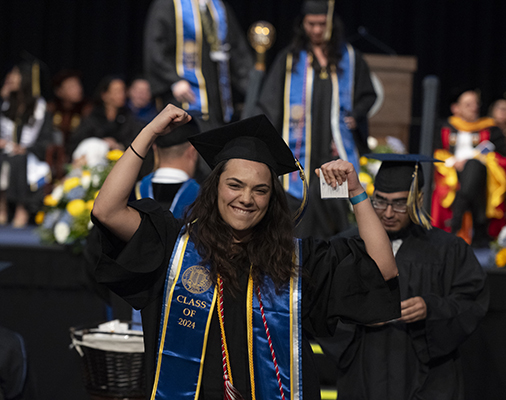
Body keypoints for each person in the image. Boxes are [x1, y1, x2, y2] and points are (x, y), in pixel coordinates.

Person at [86, 105, 401, 399]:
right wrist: (149, 132)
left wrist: (357, 193)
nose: (246, 198)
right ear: (215, 187)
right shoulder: (174, 246)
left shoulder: (297, 262)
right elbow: (107, 211)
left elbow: (383, 268)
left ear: (271, 199)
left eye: (260, 190)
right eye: (235, 185)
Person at [318, 153, 489, 400]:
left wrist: (430, 307)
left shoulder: (447, 249)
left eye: (399, 204)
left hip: (428, 376)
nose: (388, 213)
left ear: (418, 199)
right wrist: (355, 313)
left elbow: (472, 301)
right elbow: (321, 304)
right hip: (364, 369)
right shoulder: (345, 245)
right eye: (380, 201)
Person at [257, 0, 377, 240]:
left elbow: (368, 94)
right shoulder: (290, 59)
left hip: (333, 150)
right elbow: (269, 103)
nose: (316, 30)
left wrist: (355, 116)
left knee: (333, 208)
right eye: (311, 24)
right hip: (299, 150)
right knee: (299, 206)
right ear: (303, 24)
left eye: (322, 24)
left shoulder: (350, 58)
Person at [143, 0, 253, 131]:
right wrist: (174, 81)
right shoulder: (168, 4)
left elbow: (237, 51)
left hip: (217, 99)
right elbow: (155, 48)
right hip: (184, 97)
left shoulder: (219, 7)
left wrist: (253, 88)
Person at [431, 88, 506, 247]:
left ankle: (456, 220)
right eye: (468, 104)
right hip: (450, 173)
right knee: (468, 172)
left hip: (481, 175)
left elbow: (502, 156)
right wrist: (453, 162)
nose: (474, 107)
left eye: (475, 104)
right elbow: (437, 153)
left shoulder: (491, 129)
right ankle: (478, 224)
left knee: (473, 166)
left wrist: (474, 159)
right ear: (455, 108)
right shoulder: (444, 128)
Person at [0, 59, 53, 227]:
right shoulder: (8, 103)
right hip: (7, 151)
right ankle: (2, 209)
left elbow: (46, 139)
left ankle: (21, 210)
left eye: (16, 74)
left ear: (26, 79)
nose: (11, 78)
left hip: (31, 155)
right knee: (4, 158)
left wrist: (25, 148)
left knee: (18, 160)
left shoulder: (40, 108)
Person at [68, 75, 143, 161]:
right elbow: (76, 142)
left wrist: (119, 146)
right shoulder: (93, 117)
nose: (121, 95)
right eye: (117, 91)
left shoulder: (128, 117)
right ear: (105, 95)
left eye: (123, 91)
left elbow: (136, 141)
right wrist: (102, 143)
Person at [46, 69, 92, 178]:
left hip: (78, 157)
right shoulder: (51, 109)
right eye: (71, 87)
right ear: (59, 92)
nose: (78, 89)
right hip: (54, 157)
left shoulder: (87, 109)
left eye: (78, 85)